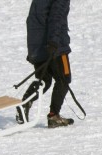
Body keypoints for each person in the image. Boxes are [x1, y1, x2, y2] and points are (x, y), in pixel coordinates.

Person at [16, 0, 75, 128]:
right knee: (64, 79)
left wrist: (36, 47)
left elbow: (32, 19)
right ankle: (54, 116)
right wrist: (54, 42)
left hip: (37, 45)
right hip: (54, 45)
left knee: (44, 80)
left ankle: (25, 103)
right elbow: (57, 17)